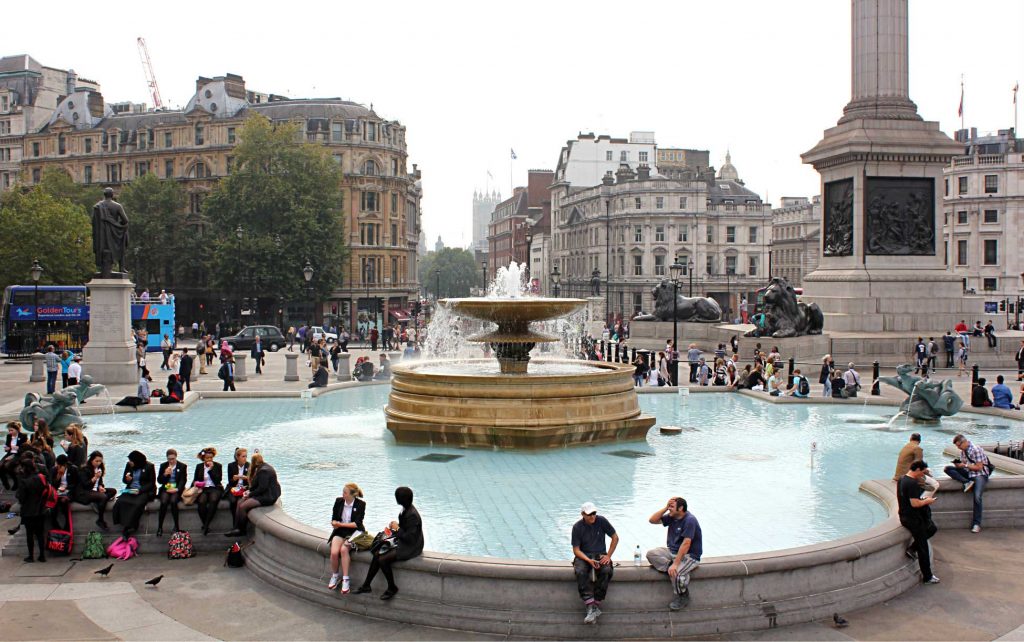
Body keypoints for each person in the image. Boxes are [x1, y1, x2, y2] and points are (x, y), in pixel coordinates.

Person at [353, 486, 423, 600]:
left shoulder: (412, 515)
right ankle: (366, 585)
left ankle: (392, 587)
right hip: (404, 541)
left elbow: (409, 538)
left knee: (383, 559)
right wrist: (394, 529)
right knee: (377, 553)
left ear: (400, 499)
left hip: (412, 546)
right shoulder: (406, 509)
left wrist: (397, 528)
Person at [647, 497, 702, 611]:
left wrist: (676, 564)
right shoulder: (672, 517)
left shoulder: (690, 520)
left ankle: (682, 595)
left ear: (680, 508)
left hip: (689, 555)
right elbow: (652, 520)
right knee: (651, 554)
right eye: (669, 507)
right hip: (672, 552)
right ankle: (670, 567)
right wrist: (665, 508)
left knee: (675, 573)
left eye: (672, 507)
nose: (669, 509)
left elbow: (686, 543)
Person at [569, 502, 617, 624]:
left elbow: (615, 537)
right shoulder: (577, 527)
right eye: (589, 514)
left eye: (594, 513)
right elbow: (576, 550)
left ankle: (596, 603)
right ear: (583, 514)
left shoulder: (602, 521)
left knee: (606, 571)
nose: (592, 517)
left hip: (600, 554)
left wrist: (608, 556)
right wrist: (588, 560)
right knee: (580, 571)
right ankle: (590, 604)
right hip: (584, 555)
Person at [897, 461, 940, 584]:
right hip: (913, 519)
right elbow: (915, 504)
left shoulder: (902, 479)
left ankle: (912, 548)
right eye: (922, 471)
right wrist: (928, 501)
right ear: (917, 469)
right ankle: (927, 576)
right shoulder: (912, 483)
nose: (923, 474)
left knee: (932, 529)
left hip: (904, 516)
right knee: (923, 548)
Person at [326, 482, 372, 593]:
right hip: (340, 531)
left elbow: (357, 523)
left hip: (355, 532)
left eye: (345, 492)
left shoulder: (361, 504)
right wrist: (334, 523)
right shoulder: (339, 501)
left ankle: (346, 579)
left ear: (352, 494)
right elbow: (333, 518)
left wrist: (339, 524)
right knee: (334, 552)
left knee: (344, 549)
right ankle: (335, 575)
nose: (343, 494)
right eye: (343, 492)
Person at [943, 434, 991, 533]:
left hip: (980, 475)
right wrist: (958, 464)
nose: (958, 448)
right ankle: (967, 482)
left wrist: (964, 465)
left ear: (964, 442)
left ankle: (976, 524)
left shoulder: (976, 449)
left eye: (959, 446)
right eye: (957, 446)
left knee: (977, 496)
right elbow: (964, 465)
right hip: (969, 474)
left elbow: (979, 467)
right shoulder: (963, 451)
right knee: (947, 469)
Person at [226, 451, 281, 536]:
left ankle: (241, 530)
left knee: (243, 506)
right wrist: (248, 490)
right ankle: (236, 527)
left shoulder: (263, 471)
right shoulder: (263, 467)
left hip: (268, 497)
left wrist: (249, 494)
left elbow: (262, 488)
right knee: (239, 502)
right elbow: (258, 485)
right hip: (264, 494)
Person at [112, 450, 156, 539]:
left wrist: (139, 490)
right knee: (121, 501)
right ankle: (122, 522)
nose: (130, 462)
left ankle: (130, 526)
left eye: (131, 461)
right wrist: (127, 479)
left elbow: (151, 483)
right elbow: (124, 481)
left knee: (137, 504)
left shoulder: (149, 466)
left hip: (143, 490)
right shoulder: (129, 465)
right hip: (131, 489)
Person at [16, 455, 47, 563]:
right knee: (40, 533)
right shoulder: (41, 477)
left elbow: (21, 497)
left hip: (28, 511)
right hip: (40, 509)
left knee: (29, 534)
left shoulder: (24, 481)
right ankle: (42, 555)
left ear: (25, 468)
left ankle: (31, 556)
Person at [77, 451, 116, 530]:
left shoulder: (99, 469)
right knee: (103, 497)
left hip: (95, 491)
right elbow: (85, 485)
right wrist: (95, 478)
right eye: (96, 461)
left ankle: (98, 503)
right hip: (85, 492)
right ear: (91, 460)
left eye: (100, 461)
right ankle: (100, 520)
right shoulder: (84, 469)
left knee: (113, 491)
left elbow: (100, 482)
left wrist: (101, 487)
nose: (98, 463)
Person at [156, 449, 188, 536]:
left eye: (173, 458)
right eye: (169, 459)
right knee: (164, 502)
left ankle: (176, 526)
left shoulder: (182, 466)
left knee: (174, 502)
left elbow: (183, 480)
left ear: (176, 457)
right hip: (166, 488)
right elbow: (159, 481)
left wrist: (177, 489)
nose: (171, 461)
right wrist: (165, 474)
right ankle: (160, 527)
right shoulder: (163, 466)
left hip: (176, 489)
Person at [192, 448, 223, 535]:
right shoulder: (199, 466)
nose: (209, 460)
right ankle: (206, 524)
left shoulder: (218, 466)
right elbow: (195, 479)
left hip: (214, 487)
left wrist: (210, 470)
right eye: (207, 458)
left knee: (213, 500)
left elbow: (218, 480)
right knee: (201, 502)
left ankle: (206, 526)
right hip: (203, 488)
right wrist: (195, 486)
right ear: (203, 458)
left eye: (211, 458)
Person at [50, 454, 80, 531]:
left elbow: (77, 484)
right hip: (58, 491)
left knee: (64, 503)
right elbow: (52, 484)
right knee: (53, 506)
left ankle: (67, 526)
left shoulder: (73, 469)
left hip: (69, 491)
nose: (58, 467)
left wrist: (67, 488)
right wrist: (58, 476)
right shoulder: (54, 470)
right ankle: (55, 525)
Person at [1, 421, 28, 490]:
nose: (10, 432)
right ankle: (5, 483)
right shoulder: (9, 436)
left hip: (18, 454)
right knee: (0, 465)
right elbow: (7, 447)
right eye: (9, 430)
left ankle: (16, 482)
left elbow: (24, 449)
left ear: (17, 429)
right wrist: (7, 448)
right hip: (10, 453)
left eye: (11, 430)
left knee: (8, 466)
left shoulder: (23, 436)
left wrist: (17, 449)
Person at [224, 448, 249, 521]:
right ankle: (235, 521)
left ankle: (242, 522)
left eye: (246, 456)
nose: (245, 458)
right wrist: (234, 479)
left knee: (242, 502)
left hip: (244, 488)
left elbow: (251, 481)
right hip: (233, 488)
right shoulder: (231, 465)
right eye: (243, 456)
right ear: (237, 457)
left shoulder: (249, 465)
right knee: (233, 501)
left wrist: (246, 478)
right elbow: (230, 482)